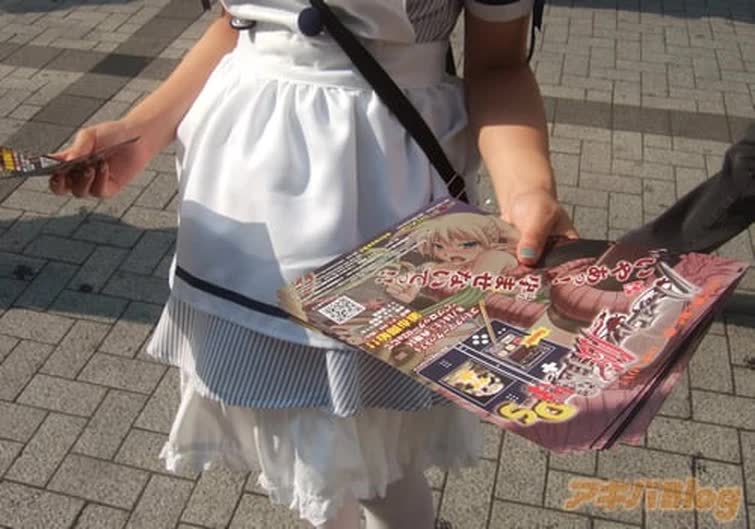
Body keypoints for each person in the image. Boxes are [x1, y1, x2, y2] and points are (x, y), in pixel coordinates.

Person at [49, 1, 576, 528]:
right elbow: (236, 25)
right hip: (241, 191)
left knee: (371, 441)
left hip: (380, 193)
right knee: (311, 441)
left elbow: (499, 64)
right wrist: (140, 130)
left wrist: (528, 190)